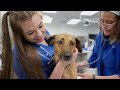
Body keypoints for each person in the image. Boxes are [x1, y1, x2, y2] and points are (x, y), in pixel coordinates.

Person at [1, 11, 78, 79]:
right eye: (30, 32)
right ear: (20, 35)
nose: (40, 34)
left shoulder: (44, 35)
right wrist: (62, 64)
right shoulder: (21, 56)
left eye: (41, 26)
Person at [77, 11, 120, 79]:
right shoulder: (100, 37)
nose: (104, 26)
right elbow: (94, 60)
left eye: (109, 22)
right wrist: (76, 65)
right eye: (102, 21)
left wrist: (93, 77)